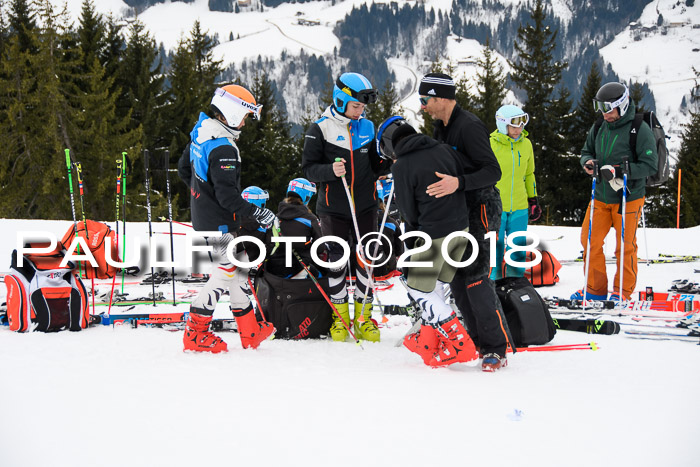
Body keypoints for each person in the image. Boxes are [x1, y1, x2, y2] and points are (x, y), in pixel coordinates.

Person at [418, 72, 510, 371]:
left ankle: (496, 348)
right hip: (456, 211)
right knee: (456, 278)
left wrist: (458, 183)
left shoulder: (468, 126)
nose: (423, 106)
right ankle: (474, 338)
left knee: (477, 279)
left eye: (425, 99)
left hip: (481, 208)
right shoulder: (440, 126)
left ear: (441, 98)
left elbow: (492, 171)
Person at [177, 85, 276, 353]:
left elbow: (183, 169)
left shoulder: (202, 132)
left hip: (208, 218)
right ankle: (195, 333)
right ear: (232, 114)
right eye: (244, 117)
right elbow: (228, 198)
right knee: (225, 272)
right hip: (219, 222)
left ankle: (249, 331)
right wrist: (259, 212)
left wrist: (201, 194)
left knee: (240, 270)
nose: (244, 123)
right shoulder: (223, 149)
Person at [377, 116, 478, 368]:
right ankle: (430, 342)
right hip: (460, 229)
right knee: (437, 288)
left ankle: (459, 343)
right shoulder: (443, 149)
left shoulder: (401, 167)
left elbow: (408, 212)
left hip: (432, 234)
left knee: (418, 289)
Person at [302, 72, 391, 342]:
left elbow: (377, 166)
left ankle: (363, 318)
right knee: (337, 263)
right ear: (341, 101)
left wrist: (390, 160)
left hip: (366, 206)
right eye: (356, 106)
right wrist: (329, 170)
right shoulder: (320, 129)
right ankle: (339, 318)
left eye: (363, 107)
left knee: (367, 262)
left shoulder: (367, 127)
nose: (360, 112)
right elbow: (308, 170)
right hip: (332, 208)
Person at [573, 82, 658, 301]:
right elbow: (586, 151)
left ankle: (622, 292)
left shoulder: (639, 129)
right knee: (589, 241)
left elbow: (650, 165)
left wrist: (620, 170)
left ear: (621, 104)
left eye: (608, 108)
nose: (604, 112)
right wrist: (587, 162)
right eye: (600, 107)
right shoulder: (600, 124)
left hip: (627, 198)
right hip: (600, 196)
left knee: (625, 247)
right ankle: (595, 290)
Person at [489, 104, 541, 280]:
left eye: (522, 124)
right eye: (514, 125)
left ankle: (515, 285)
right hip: (495, 208)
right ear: (503, 124)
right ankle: (492, 287)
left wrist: (533, 200)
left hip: (519, 207)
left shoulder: (526, 144)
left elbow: (529, 173)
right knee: (494, 251)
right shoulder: (490, 144)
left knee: (517, 250)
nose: (519, 129)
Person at [266, 178, 324, 279]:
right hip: (300, 268)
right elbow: (320, 247)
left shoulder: (276, 218)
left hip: (274, 268)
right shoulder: (310, 219)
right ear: (307, 196)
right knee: (323, 274)